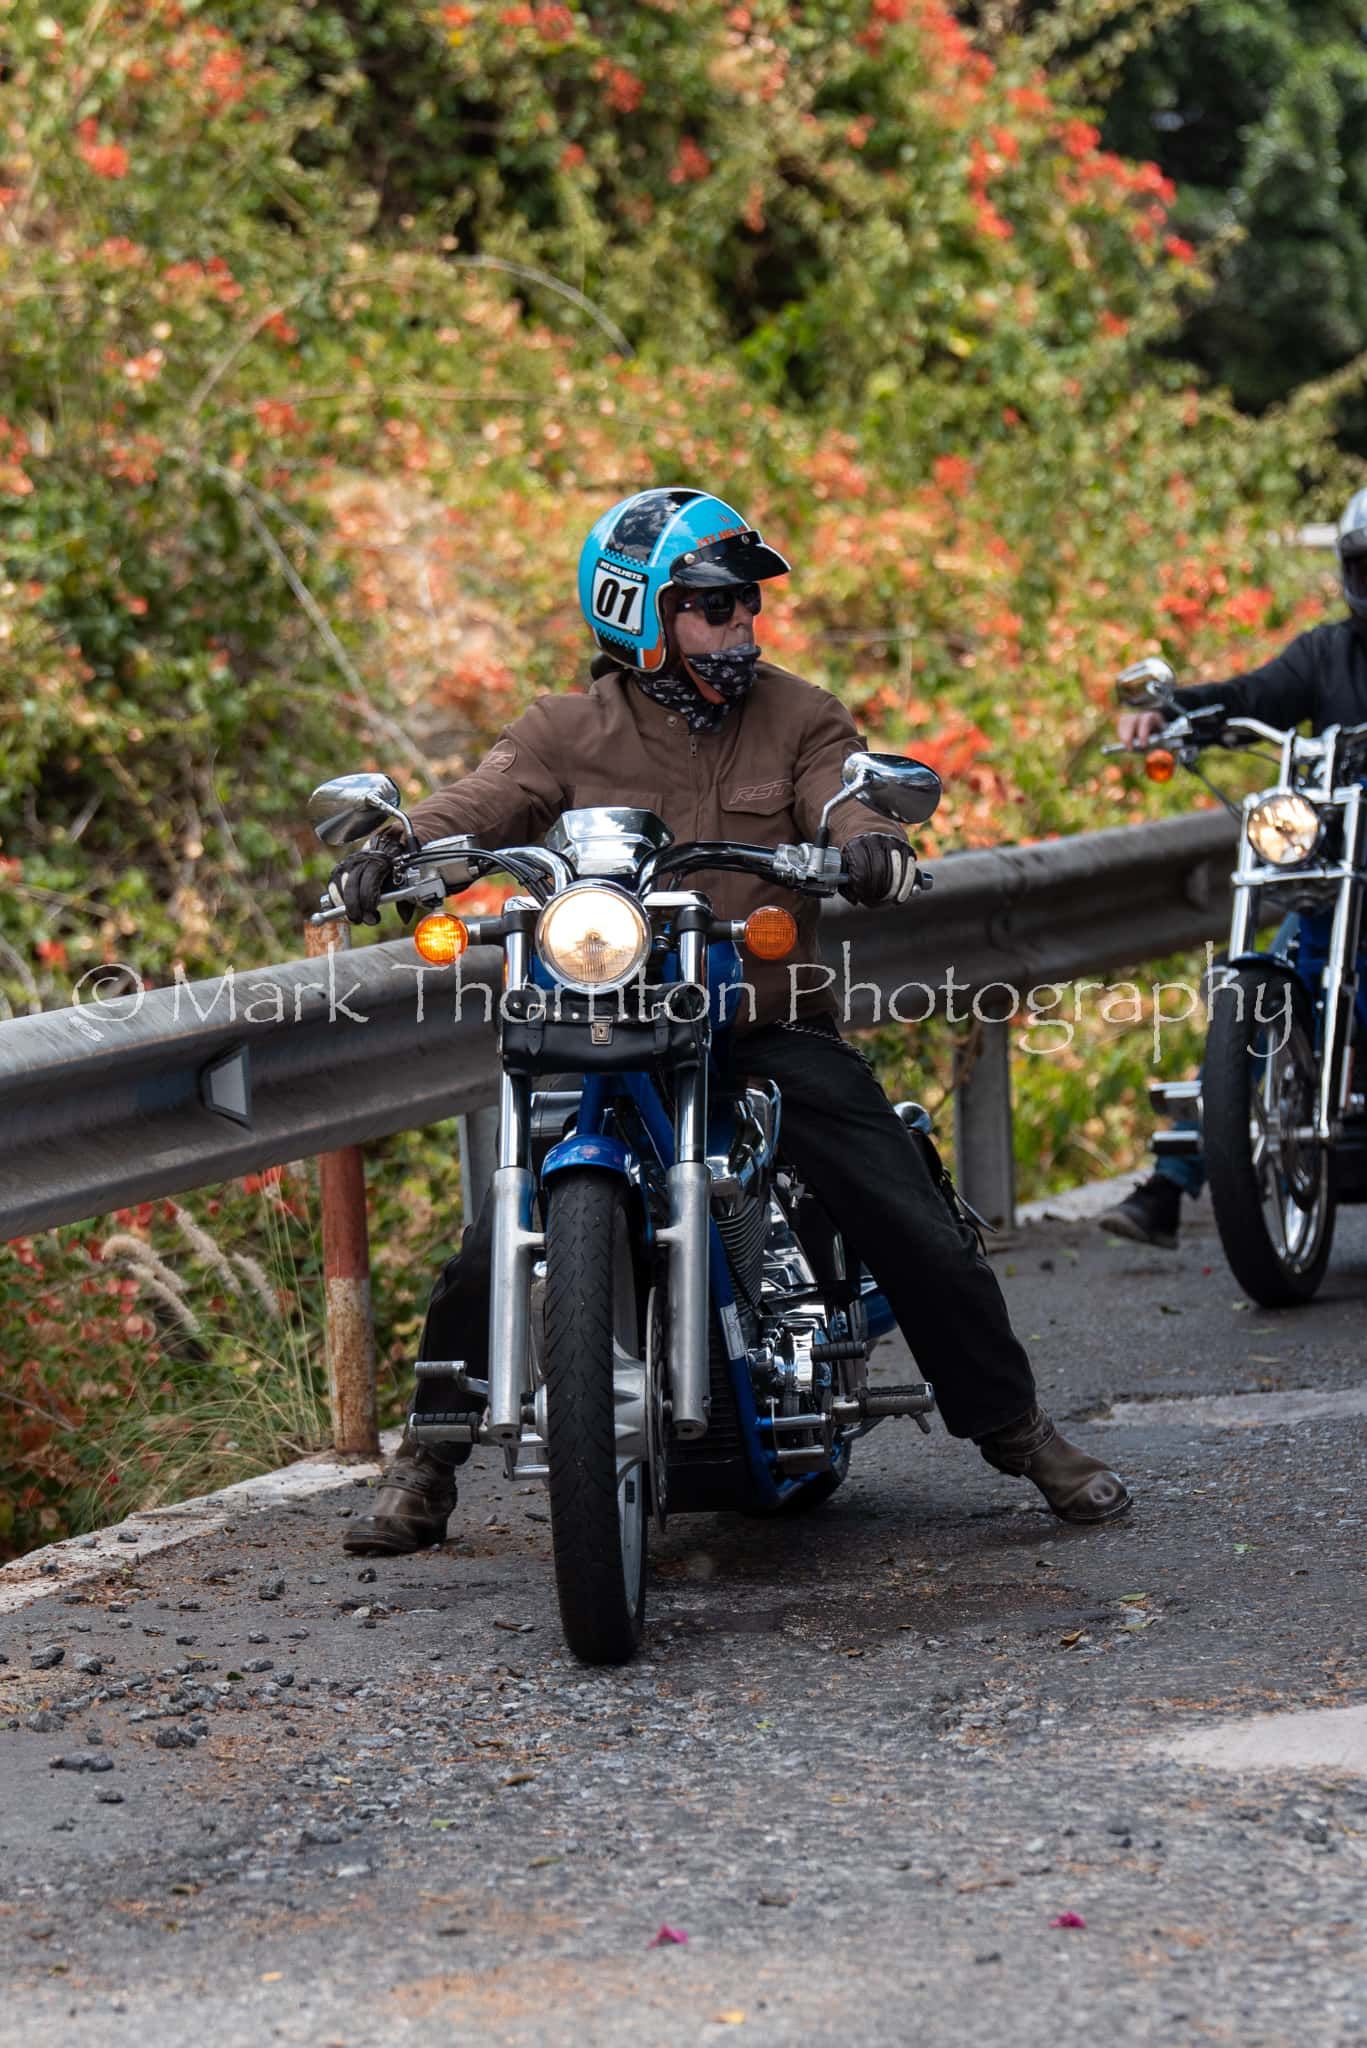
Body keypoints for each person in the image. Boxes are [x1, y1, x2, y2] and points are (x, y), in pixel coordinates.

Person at [329, 487, 1131, 1552]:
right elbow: (479, 803)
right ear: (639, 612)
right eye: (712, 607)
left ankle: (1017, 1430)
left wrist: (866, 840)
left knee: (909, 1216)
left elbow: (838, 790)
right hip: (608, 1025)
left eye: (746, 607)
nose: (739, 628)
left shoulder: (800, 713)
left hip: (759, 1027)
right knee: (493, 1239)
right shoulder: (564, 728)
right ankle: (429, 1455)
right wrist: (396, 844)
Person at [1099, 487, 1367, 1249]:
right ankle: (1172, 1182)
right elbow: (1253, 696)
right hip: (1344, 871)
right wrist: (1173, 710)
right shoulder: (1327, 653)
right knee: (1269, 983)